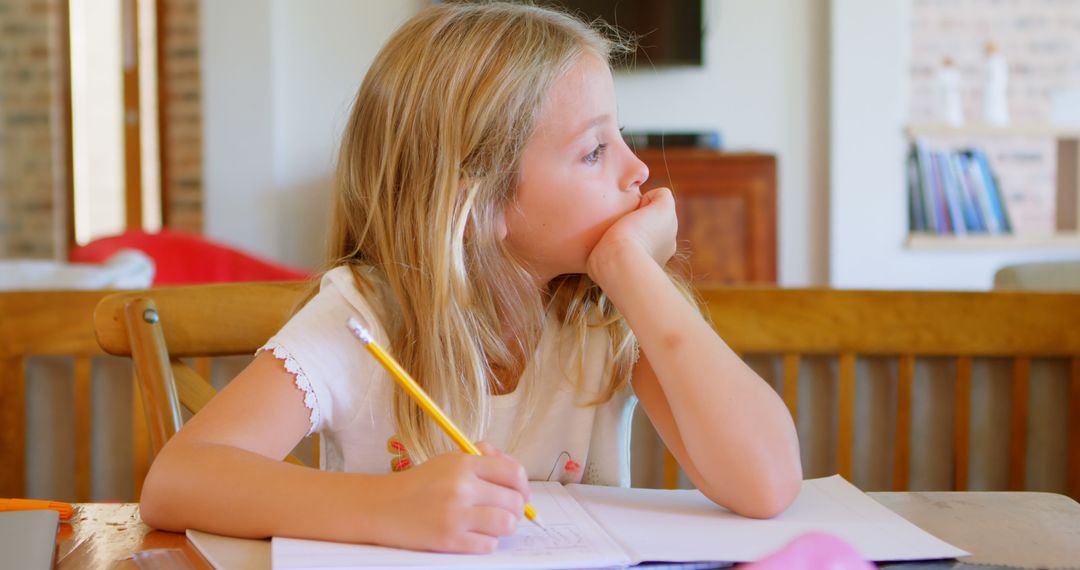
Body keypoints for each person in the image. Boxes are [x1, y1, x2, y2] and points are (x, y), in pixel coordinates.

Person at [138, 1, 802, 554]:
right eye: (595, 150)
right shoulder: (364, 317)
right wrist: (390, 508)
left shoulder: (603, 312)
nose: (638, 171)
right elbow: (178, 480)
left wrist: (634, 271)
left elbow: (766, 483)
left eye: (620, 135)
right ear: (478, 208)